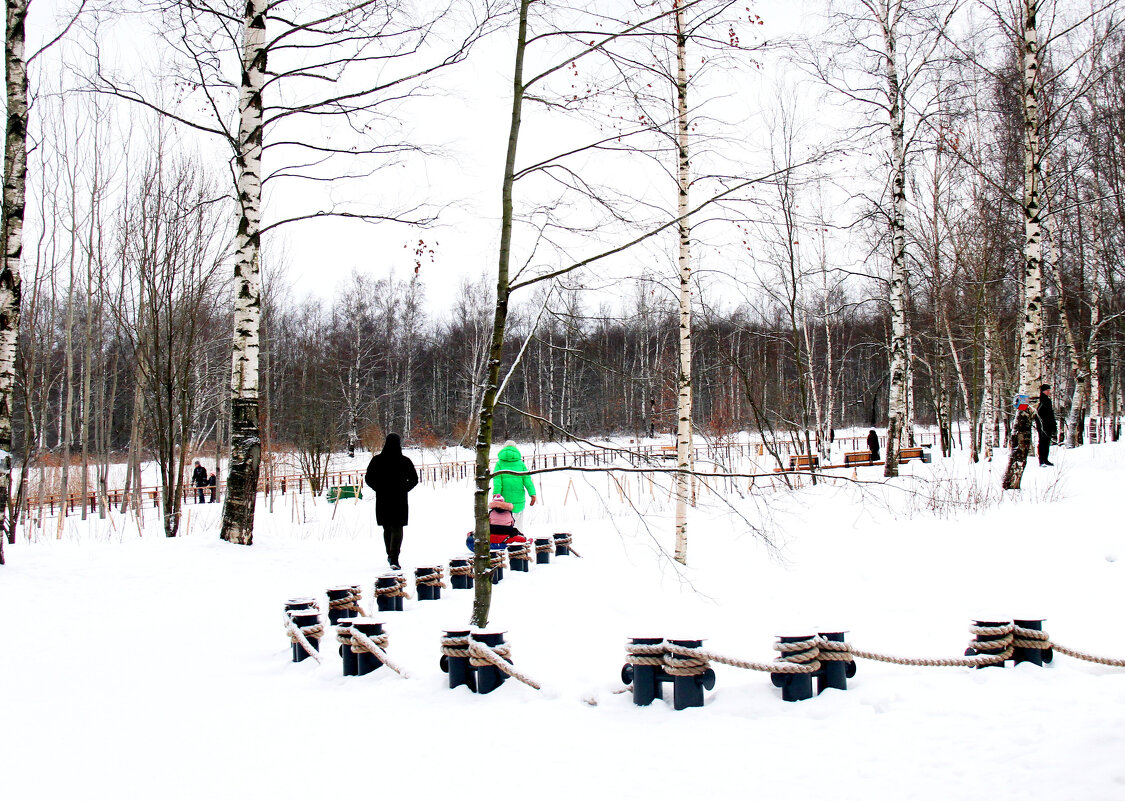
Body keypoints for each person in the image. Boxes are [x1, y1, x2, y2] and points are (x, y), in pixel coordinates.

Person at [364, 433, 419, 570]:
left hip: (383, 499)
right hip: (399, 499)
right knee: (397, 527)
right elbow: (414, 479)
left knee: (387, 527)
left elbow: (368, 478)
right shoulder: (405, 461)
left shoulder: (377, 460)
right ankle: (394, 556)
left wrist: (379, 488)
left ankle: (390, 554)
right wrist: (403, 489)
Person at [492, 440, 537, 528]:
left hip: (504, 500)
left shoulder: (499, 464)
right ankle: (519, 538)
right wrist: (532, 494)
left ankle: (507, 539)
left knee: (505, 524)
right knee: (518, 524)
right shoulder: (521, 464)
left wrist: (496, 494)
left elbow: (497, 481)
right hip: (519, 498)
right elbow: (527, 480)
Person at [1035, 384, 1057, 466]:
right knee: (1042, 441)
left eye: (1049, 390)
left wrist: (1053, 424)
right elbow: (1038, 413)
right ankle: (1041, 460)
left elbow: (1051, 413)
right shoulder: (1039, 400)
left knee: (1047, 441)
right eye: (1047, 390)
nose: (1048, 392)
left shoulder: (1048, 400)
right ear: (1043, 391)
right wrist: (1040, 422)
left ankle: (1045, 459)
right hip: (1042, 423)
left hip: (1049, 423)